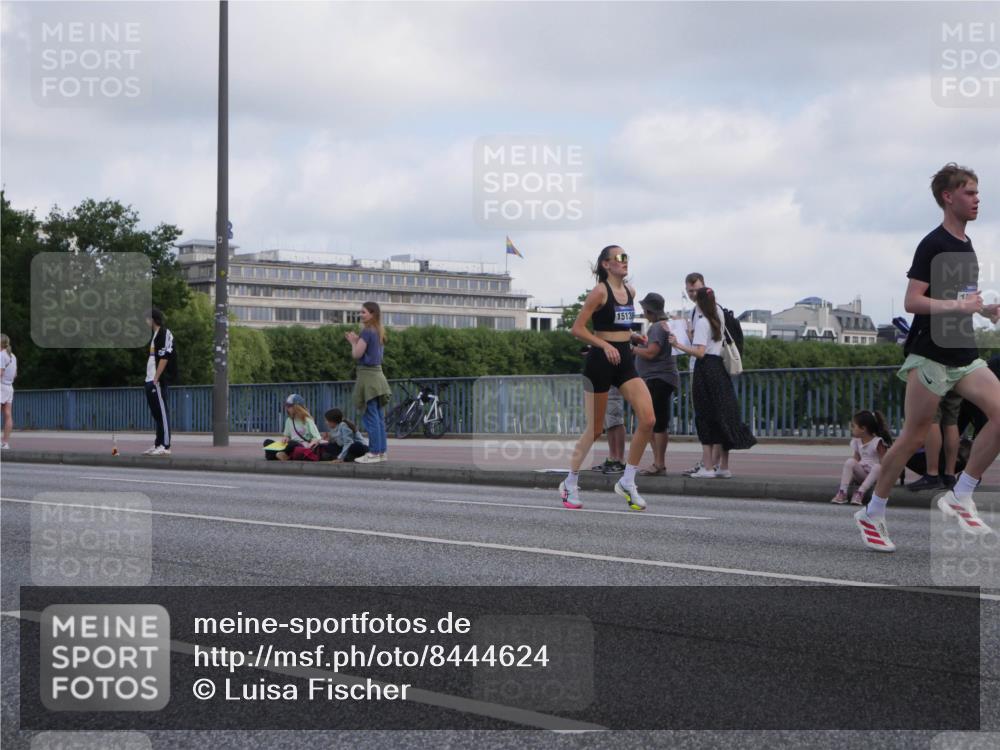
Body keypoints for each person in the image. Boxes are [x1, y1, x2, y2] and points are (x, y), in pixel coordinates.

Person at [854, 163, 1000, 552]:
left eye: (977, 192)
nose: (977, 199)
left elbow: (962, 300)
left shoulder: (966, 245)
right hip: (930, 354)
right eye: (969, 192)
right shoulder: (932, 243)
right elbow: (912, 300)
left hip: (963, 353)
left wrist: (982, 310)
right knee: (913, 436)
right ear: (948, 197)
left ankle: (961, 493)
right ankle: (873, 511)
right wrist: (961, 304)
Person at [559, 245, 655, 511]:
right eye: (620, 258)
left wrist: (632, 336)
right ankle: (570, 482)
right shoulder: (600, 291)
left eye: (627, 257)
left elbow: (618, 326)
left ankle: (627, 481)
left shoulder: (631, 292)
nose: (625, 262)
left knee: (648, 419)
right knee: (596, 429)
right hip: (600, 362)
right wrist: (604, 345)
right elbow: (577, 329)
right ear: (605, 264)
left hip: (624, 360)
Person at [668, 287, 756, 476]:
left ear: (698, 303)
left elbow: (699, 352)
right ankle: (723, 467)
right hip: (719, 369)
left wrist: (678, 345)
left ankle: (707, 467)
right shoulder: (719, 319)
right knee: (723, 415)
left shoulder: (702, 323)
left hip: (705, 369)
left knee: (705, 417)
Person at [633, 292, 679, 475]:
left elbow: (652, 352)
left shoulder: (657, 327)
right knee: (654, 422)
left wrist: (633, 349)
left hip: (657, 379)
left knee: (655, 422)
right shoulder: (662, 325)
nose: (643, 311)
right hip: (659, 379)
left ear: (649, 310)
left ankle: (659, 463)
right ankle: (658, 462)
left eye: (644, 308)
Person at [347, 301, 391, 464]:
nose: (361, 314)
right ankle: (381, 452)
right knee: (378, 417)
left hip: (368, 378)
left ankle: (373, 452)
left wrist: (353, 342)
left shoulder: (367, 331)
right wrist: (359, 340)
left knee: (371, 417)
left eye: (364, 312)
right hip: (379, 376)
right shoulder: (378, 331)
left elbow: (357, 354)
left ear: (372, 314)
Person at [831, 410, 893, 505]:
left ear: (863, 428)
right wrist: (850, 478)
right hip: (862, 474)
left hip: (874, 476)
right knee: (850, 461)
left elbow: (884, 463)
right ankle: (842, 492)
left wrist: (885, 481)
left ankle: (860, 493)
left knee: (878, 467)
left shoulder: (877, 442)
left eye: (853, 426)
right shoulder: (857, 441)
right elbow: (855, 460)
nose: (851, 429)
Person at [906, 389, 962, 490]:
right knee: (951, 420)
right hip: (957, 375)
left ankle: (932, 474)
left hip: (934, 376)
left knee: (931, 417)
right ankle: (950, 475)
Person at [142, 308, 177, 456]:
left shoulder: (164, 333)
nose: (146, 322)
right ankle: (158, 443)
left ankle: (166, 445)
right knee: (156, 413)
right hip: (149, 379)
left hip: (157, 380)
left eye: (147, 319)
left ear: (153, 319)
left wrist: (157, 377)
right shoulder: (154, 335)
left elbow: (165, 357)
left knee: (162, 413)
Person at [275, 393, 322, 461]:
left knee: (293, 444)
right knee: (267, 442)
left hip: (302, 445)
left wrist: (311, 444)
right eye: (286, 405)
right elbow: (287, 435)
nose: (286, 408)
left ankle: (285, 455)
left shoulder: (307, 420)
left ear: (297, 407)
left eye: (289, 406)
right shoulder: (289, 420)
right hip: (290, 445)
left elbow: (317, 437)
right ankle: (283, 455)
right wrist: (286, 438)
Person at [591, 385, 626, 474]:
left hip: (612, 382)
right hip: (604, 385)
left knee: (616, 421)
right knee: (608, 422)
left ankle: (620, 461)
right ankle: (612, 458)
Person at [0, 334, 16, 450]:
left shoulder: (1, 355)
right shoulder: (13, 356)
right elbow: (15, 374)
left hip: (1, 386)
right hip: (9, 387)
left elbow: (0, 373)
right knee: (8, 415)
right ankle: (5, 443)